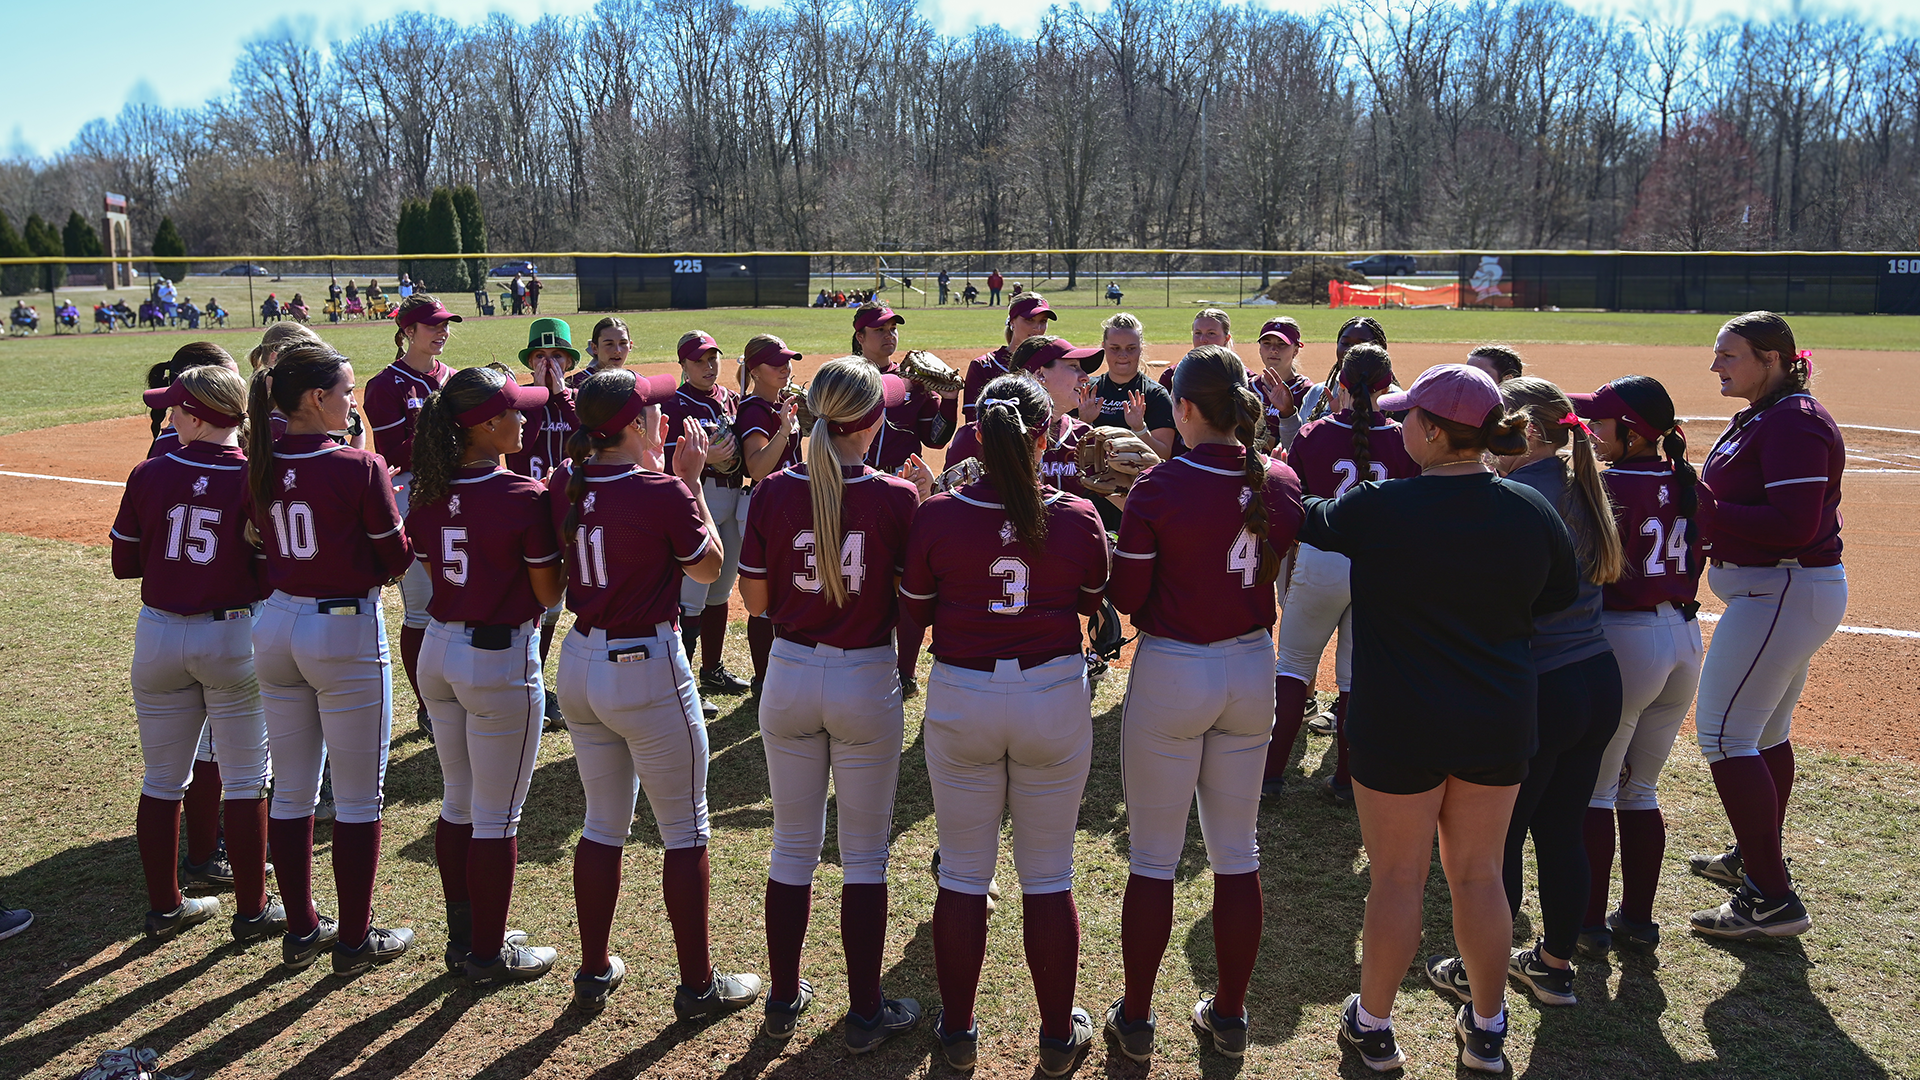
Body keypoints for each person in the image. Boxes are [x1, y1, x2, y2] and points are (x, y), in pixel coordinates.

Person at [1307, 364, 1577, 1073]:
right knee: (1479, 877)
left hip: (1400, 722)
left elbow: (1303, 513)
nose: (1399, 428)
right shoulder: (1529, 507)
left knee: (1396, 879)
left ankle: (1373, 1025)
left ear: (1431, 430)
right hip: (1496, 716)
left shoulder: (1381, 505)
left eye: (1408, 418)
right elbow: (1557, 595)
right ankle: (1487, 1029)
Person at [901, 373, 1110, 1076]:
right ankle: (1056, 1035)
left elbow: (917, 610)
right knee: (1048, 877)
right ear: (1043, 438)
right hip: (1051, 693)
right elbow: (1092, 602)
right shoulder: (1076, 514)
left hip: (963, 693)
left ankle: (958, 1032)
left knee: (962, 876)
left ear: (977, 444)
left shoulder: (938, 514)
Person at [1105, 345, 1303, 1062]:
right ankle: (1230, 1011)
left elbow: (1126, 600)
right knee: (1236, 853)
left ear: (1185, 409)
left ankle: (1135, 1016)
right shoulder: (1277, 479)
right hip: (1252, 665)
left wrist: (1127, 527)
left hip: (1175, 668)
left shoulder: (1162, 485)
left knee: (1155, 860)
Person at [552, 368, 763, 1017]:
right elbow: (710, 569)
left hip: (581, 658)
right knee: (685, 831)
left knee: (601, 824)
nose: (666, 419)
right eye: (654, 411)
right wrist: (691, 484)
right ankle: (698, 987)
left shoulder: (567, 478)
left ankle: (592, 970)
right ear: (634, 424)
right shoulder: (660, 489)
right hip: (644, 663)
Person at [736, 359, 926, 1050]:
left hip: (788, 671)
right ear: (872, 421)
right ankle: (866, 1012)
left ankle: (784, 997)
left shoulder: (773, 492)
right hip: (864, 677)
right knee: (865, 856)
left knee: (792, 848)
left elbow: (755, 604)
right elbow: (912, 605)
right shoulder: (896, 498)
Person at [1425, 376, 1625, 1010]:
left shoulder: (1520, 493)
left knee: (1497, 842)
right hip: (1596, 675)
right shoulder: (1581, 480)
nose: (1488, 439)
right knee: (1562, 829)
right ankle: (1554, 966)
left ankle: (1477, 972)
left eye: (1498, 427)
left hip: (1544, 684)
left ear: (1529, 431)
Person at [245, 342, 416, 975]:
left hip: (278, 620)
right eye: (344, 392)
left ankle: (300, 928)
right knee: (357, 798)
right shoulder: (357, 465)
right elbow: (396, 561)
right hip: (342, 627)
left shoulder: (259, 460)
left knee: (291, 789)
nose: (352, 402)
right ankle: (352, 939)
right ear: (315, 399)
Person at [1686, 311, 1846, 940]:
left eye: (1729, 355)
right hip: (1776, 589)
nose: (1716, 365)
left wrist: (1706, 510)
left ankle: (1772, 899)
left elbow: (1794, 525)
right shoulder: (1764, 414)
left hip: (1782, 586)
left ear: (1772, 358)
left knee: (1724, 735)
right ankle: (1756, 860)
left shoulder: (1792, 423)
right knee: (1766, 734)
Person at [405, 365, 564, 985]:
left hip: (439, 651)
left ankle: (467, 932)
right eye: (514, 410)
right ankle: (488, 952)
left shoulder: (425, 490)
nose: (524, 418)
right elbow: (549, 593)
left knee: (460, 801)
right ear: (486, 424)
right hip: (497, 658)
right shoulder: (521, 496)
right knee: (496, 816)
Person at [113, 364, 280, 946]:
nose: (168, 415)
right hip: (232, 634)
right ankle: (253, 911)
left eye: (177, 408)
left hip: (158, 633)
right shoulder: (257, 476)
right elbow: (272, 570)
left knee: (162, 780)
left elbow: (124, 563)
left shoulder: (150, 472)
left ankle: (166, 906)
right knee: (245, 780)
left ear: (201, 415)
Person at [1569, 375, 1703, 955]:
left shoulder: (1606, 486)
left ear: (1631, 431)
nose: (1592, 432)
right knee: (1641, 789)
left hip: (1627, 640)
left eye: (1602, 424)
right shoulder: (1686, 480)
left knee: (1597, 791)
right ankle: (1638, 919)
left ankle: (1590, 923)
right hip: (1685, 638)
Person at [1261, 344, 1418, 801]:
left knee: (1291, 668)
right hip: (1378, 566)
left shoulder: (1312, 433)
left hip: (1321, 557)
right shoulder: (1405, 436)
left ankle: (1270, 776)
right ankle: (1347, 780)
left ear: (1340, 385)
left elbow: (1297, 500)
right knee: (1353, 678)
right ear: (1388, 388)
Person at [364, 294, 461, 740]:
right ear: (407, 331)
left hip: (459, 499)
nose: (441, 333)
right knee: (422, 609)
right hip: (413, 500)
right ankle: (427, 705)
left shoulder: (456, 379)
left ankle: (457, 691)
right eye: (431, 326)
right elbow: (394, 453)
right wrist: (450, 444)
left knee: (460, 599)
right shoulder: (385, 385)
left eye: (444, 325)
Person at [851, 300, 955, 699]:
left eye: (893, 328)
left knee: (909, 581)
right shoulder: (846, 377)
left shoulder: (912, 382)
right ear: (860, 337)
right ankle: (861, 657)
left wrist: (946, 398)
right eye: (879, 329)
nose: (889, 335)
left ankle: (905, 670)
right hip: (852, 487)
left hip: (900, 493)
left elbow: (937, 437)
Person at [662, 331, 747, 709]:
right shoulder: (674, 403)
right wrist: (705, 460)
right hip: (701, 493)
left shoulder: (729, 398)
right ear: (683, 365)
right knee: (692, 595)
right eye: (699, 360)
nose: (709, 366)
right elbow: (664, 461)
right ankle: (680, 680)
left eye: (713, 358)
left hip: (731, 493)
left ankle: (712, 669)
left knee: (722, 588)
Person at [507, 318, 583, 730]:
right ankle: (527, 678)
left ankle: (539, 676)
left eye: (557, 356)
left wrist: (562, 397)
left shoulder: (579, 400)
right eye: (541, 356)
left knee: (557, 600)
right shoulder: (518, 401)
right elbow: (519, 447)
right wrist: (538, 397)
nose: (549, 364)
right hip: (530, 507)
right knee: (535, 597)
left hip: (569, 511)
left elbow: (585, 438)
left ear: (570, 362)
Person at [734, 334, 807, 691]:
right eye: (775, 362)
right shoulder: (753, 410)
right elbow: (757, 467)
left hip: (787, 507)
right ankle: (764, 679)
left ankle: (780, 672)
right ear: (754, 370)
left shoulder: (778, 404)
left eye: (788, 360)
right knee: (763, 599)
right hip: (766, 508)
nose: (785, 367)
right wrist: (782, 430)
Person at [1080, 312, 1175, 461]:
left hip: (1137, 481)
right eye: (1115, 348)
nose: (1123, 355)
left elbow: (1164, 454)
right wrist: (1084, 422)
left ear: (1141, 348)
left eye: (1131, 348)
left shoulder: (1155, 394)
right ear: (1103, 347)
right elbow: (1067, 449)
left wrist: (1139, 429)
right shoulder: (1087, 391)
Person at [964, 294, 1057, 423]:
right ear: (1012, 322)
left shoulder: (1055, 364)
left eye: (1043, 321)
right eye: (1029, 320)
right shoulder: (984, 366)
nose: (1038, 328)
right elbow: (973, 423)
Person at [1253, 318, 1313, 451]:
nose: (1273, 350)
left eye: (1282, 344)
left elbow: (1308, 443)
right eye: (1267, 343)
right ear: (1260, 349)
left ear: (1295, 350)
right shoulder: (1248, 387)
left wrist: (1266, 440)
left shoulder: (1307, 391)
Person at [568, 317, 631, 389]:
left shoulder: (636, 383)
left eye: (623, 343)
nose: (617, 350)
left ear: (630, 345)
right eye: (609, 344)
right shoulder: (576, 384)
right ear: (594, 348)